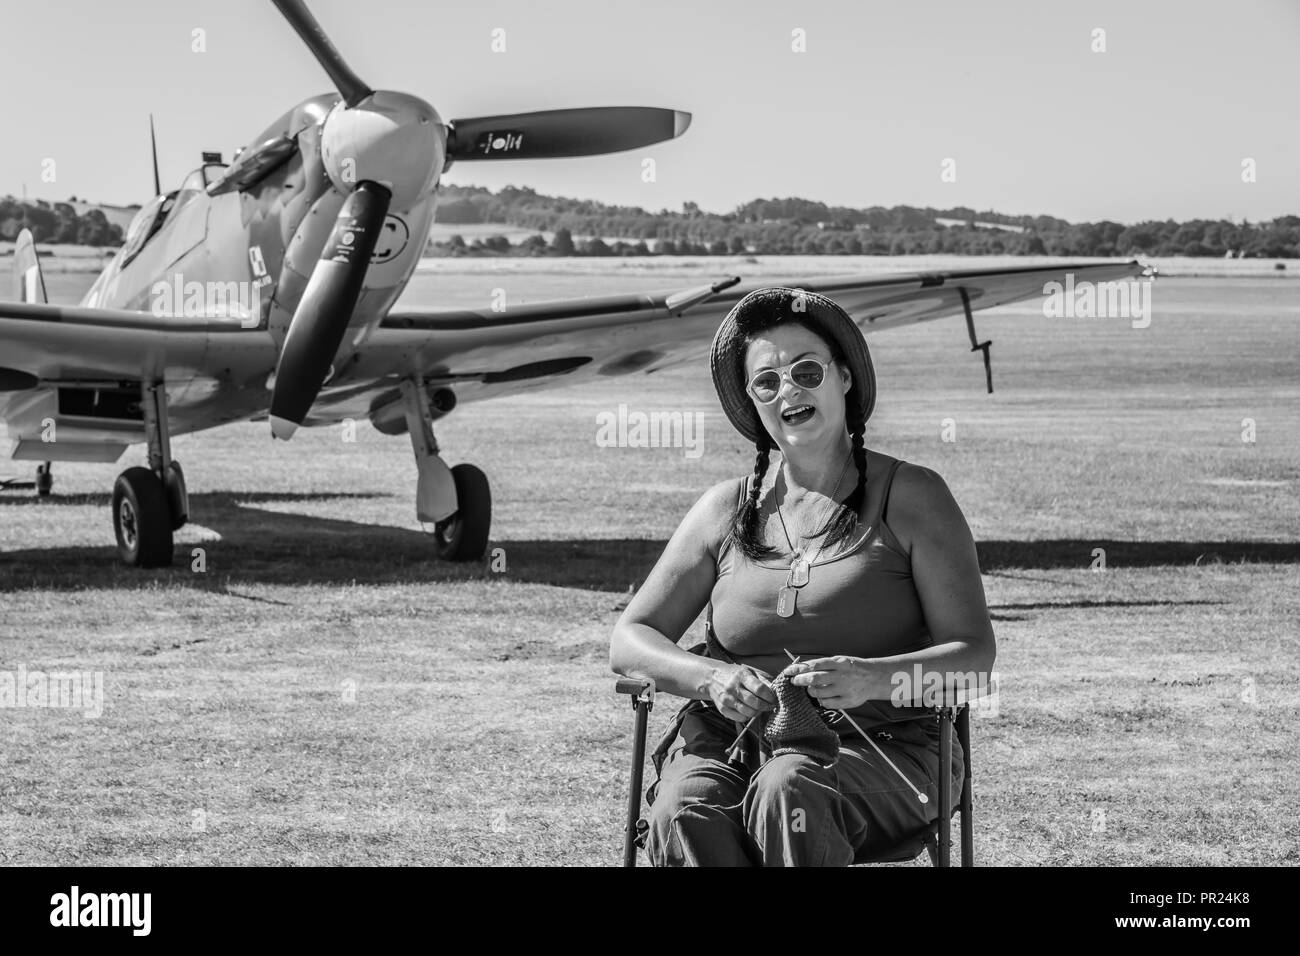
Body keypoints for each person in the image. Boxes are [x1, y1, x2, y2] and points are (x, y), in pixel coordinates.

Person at [609, 286, 995, 867]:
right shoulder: (725, 508)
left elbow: (973, 660)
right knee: (684, 804)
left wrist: (871, 679)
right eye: (767, 381)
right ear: (753, 401)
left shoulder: (913, 496)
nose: (788, 389)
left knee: (790, 785)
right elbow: (629, 638)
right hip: (732, 744)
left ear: (843, 378)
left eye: (806, 370)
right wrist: (711, 679)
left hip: (883, 750)